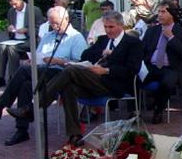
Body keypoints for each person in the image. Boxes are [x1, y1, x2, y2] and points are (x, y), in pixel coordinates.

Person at [10, 11, 143, 147]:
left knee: (70, 70)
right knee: (68, 86)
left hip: (114, 84)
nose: (108, 30)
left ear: (121, 25)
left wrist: (106, 70)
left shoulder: (132, 43)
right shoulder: (103, 40)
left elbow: (133, 70)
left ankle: (33, 108)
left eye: (111, 27)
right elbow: (84, 56)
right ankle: (75, 135)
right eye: (105, 27)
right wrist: (101, 52)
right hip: (93, 79)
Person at [0, 7, 87, 146]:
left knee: (23, 71)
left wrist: (59, 61)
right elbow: (38, 55)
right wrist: (32, 60)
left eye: (57, 23)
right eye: (51, 23)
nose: (54, 27)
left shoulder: (76, 37)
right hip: (43, 71)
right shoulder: (48, 36)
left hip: (61, 73)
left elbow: (80, 64)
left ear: (66, 19)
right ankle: (21, 130)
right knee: (25, 85)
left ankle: (0, 106)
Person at [141, 0, 182, 124]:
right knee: (132, 76)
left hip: (171, 67)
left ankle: (158, 110)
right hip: (151, 66)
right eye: (159, 12)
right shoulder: (152, 30)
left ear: (172, 14)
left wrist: (171, 37)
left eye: (163, 12)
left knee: (167, 83)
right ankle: (135, 110)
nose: (160, 15)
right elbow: (142, 50)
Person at [0, 0, 44, 88]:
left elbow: (40, 28)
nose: (14, 7)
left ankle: (13, 78)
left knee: (11, 48)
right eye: (12, 4)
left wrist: (26, 30)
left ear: (21, 0)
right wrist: (9, 28)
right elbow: (10, 26)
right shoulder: (11, 11)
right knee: (2, 47)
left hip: (28, 41)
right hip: (15, 40)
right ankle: (0, 78)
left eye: (15, 4)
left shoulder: (34, 10)